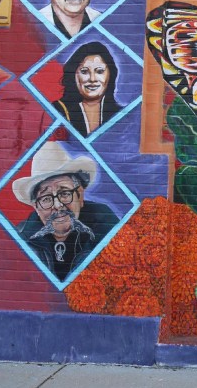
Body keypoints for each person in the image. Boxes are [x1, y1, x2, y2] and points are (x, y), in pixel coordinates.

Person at [12, 141, 119, 281]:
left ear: (80, 195)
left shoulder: (108, 228)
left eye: (64, 193)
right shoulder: (21, 238)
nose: (57, 205)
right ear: (36, 207)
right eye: (46, 199)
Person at [54, 41, 122, 136]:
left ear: (110, 74)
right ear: (74, 74)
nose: (92, 79)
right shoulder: (57, 110)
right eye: (84, 72)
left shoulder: (120, 114)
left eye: (99, 71)